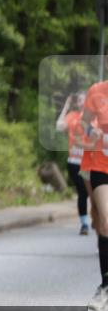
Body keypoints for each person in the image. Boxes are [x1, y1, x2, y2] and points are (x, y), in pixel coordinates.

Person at [79, 81, 108, 311]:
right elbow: (83, 121)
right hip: (101, 165)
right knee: (106, 222)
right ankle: (105, 287)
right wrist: (92, 131)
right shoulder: (96, 91)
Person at [56, 92, 92, 234]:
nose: (80, 102)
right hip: (74, 162)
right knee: (82, 192)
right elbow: (59, 126)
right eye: (78, 100)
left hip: (91, 162)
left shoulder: (92, 117)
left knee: (91, 194)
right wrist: (66, 105)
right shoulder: (72, 116)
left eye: (83, 99)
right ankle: (84, 224)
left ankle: (96, 218)